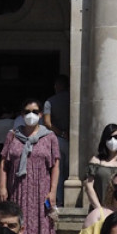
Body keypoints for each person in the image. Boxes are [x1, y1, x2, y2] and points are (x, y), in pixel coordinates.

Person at [0, 98, 60, 234]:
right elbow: (4, 162)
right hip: (18, 190)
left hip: (41, 192)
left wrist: (53, 191)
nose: (31, 115)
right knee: (18, 227)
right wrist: (2, 186)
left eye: (34, 111)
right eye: (27, 112)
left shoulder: (49, 137)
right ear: (21, 114)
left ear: (41, 114)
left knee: (41, 228)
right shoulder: (13, 136)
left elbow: (55, 165)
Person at [43, 75, 70, 206]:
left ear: (57, 86)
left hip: (58, 139)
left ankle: (59, 199)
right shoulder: (73, 100)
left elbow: (47, 122)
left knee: (58, 171)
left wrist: (61, 133)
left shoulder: (50, 101)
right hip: (74, 140)